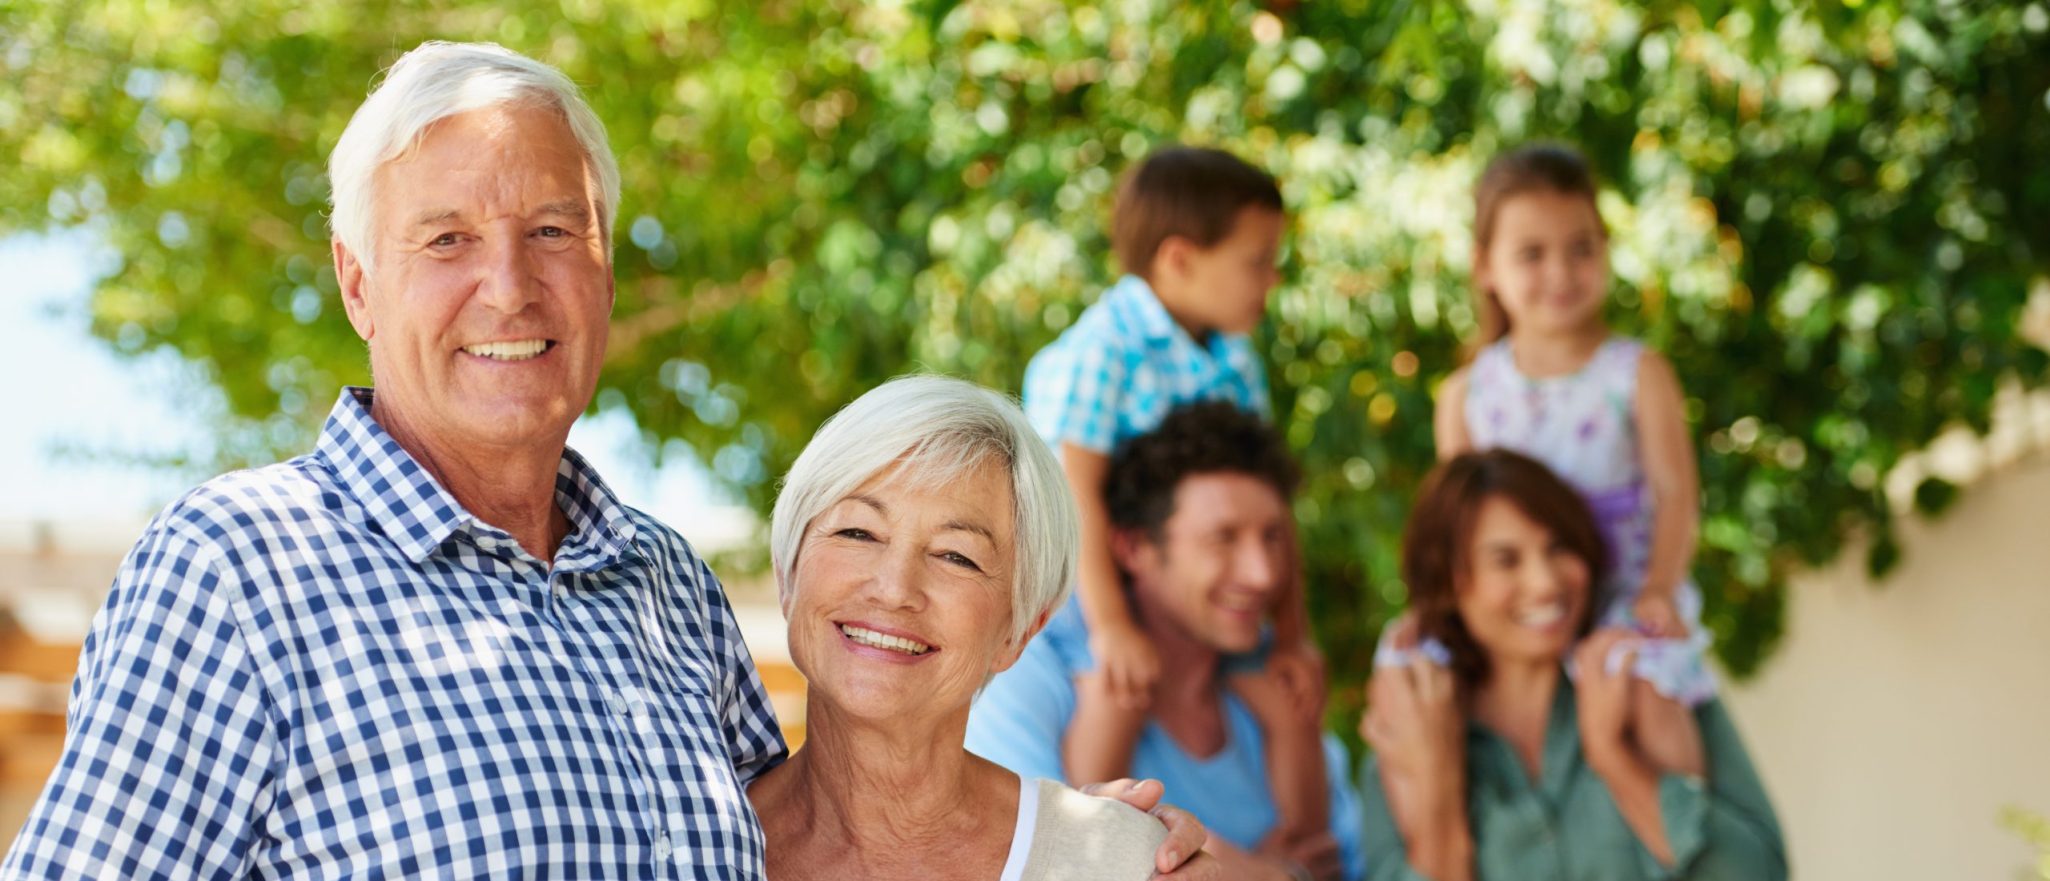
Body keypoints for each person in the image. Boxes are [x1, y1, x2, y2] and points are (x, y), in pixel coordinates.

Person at [0, 42, 1196, 879]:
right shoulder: (239, 571)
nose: (509, 286)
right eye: (447, 238)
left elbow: (838, 832)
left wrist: (1070, 846)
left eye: (553, 231)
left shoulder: (666, 585)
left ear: (607, 269)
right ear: (357, 280)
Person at [746, 375, 1238, 880]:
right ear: (788, 573)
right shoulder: (684, 843)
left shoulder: (1123, 862)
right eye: (857, 531)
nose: (894, 589)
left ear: (1020, 630)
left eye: (956, 556)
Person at [1021, 146, 1331, 845]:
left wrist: (1295, 635)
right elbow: (1077, 495)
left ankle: (1302, 848)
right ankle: (1087, 849)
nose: (1272, 279)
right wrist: (1112, 627)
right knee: (1116, 687)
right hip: (1084, 578)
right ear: (1180, 260)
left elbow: (1266, 498)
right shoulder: (1107, 345)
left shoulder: (1232, 355)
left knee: (1288, 702)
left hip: (1178, 580)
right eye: (1256, 261)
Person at [1388, 143, 1715, 777]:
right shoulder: (1467, 394)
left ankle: (1692, 837)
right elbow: (1461, 528)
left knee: (1647, 698)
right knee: (1411, 675)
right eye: (1532, 254)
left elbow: (1675, 494)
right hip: (1519, 603)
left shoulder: (1637, 374)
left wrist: (1658, 591)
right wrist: (1432, 605)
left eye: (1581, 248)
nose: (1561, 273)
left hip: (1621, 590)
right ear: (1485, 266)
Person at [968, 402, 1368, 881]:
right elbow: (1039, 861)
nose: (1262, 574)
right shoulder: (1028, 666)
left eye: (1273, 537)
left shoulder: (1275, 688)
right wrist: (1270, 873)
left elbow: (1334, 864)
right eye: (1223, 538)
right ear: (1134, 547)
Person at [1359, 450, 1784, 880]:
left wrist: (1614, 759)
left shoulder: (1653, 685)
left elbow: (1761, 873)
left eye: (1559, 547)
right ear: (1448, 580)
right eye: (1506, 560)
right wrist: (1441, 786)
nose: (1545, 583)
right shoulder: (1406, 736)